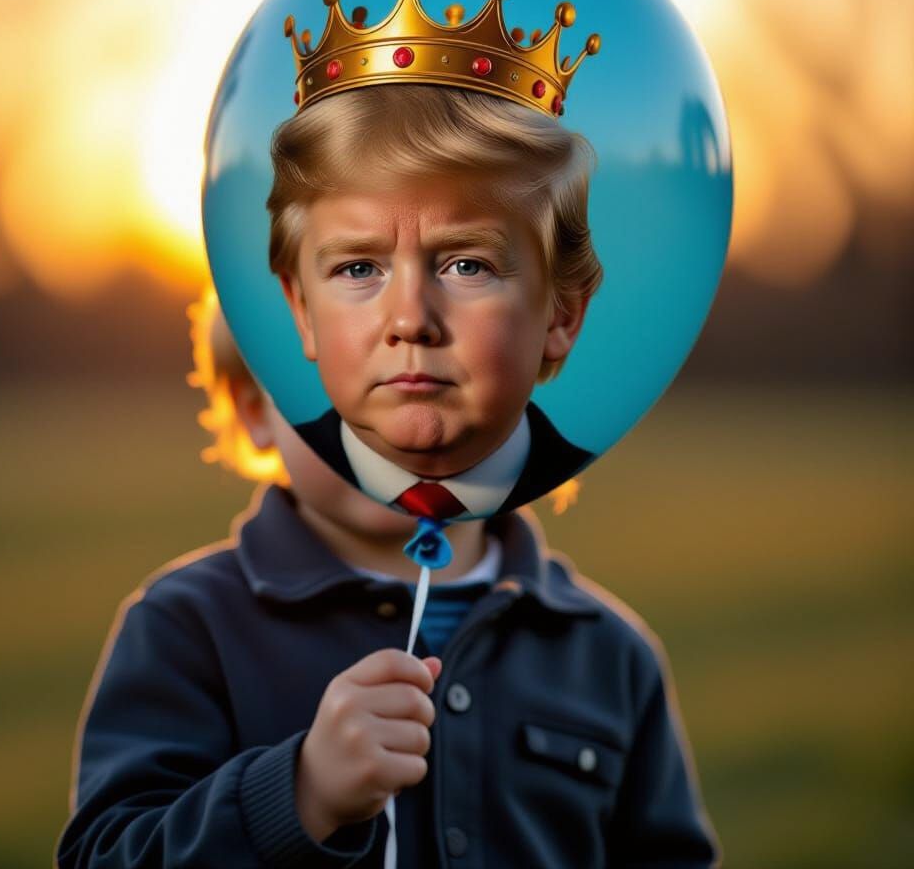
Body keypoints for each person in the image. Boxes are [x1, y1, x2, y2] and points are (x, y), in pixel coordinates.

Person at [55, 291, 720, 867]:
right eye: (338, 379)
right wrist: (302, 793)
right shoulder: (189, 626)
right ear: (254, 407)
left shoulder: (608, 654)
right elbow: (107, 852)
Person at [269, 0, 604, 521]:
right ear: (303, 310)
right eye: (358, 269)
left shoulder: (595, 607)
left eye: (467, 266)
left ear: (561, 313)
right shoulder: (188, 611)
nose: (410, 320)